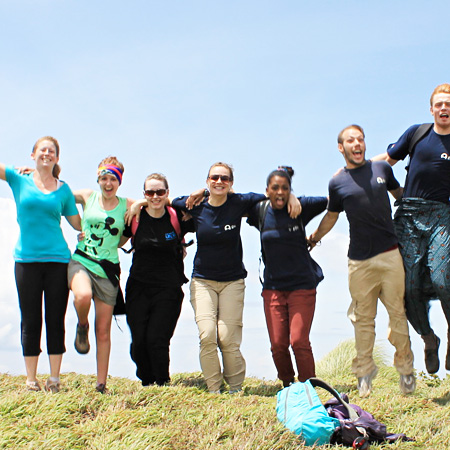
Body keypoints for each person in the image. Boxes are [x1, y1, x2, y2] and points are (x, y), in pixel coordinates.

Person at [171, 162, 300, 394]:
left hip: (232, 281)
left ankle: (235, 389)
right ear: (207, 180)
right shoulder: (197, 205)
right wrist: (200, 193)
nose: (219, 181)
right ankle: (213, 389)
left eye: (224, 178)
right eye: (214, 178)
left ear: (231, 183)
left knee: (228, 338)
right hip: (202, 281)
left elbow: (272, 195)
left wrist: (290, 197)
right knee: (208, 334)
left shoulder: (239, 202)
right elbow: (170, 202)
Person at [308, 125, 415, 397]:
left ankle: (405, 371)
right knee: (363, 320)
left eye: (360, 140)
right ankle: (364, 375)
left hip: (391, 255)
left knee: (398, 315)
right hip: (359, 262)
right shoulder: (337, 182)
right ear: (341, 148)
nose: (357, 144)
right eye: (350, 141)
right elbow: (332, 216)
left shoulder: (382, 170)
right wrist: (315, 237)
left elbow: (401, 195)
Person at [373, 83, 450, 374]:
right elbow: (387, 161)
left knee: (444, 280)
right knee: (409, 288)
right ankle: (429, 339)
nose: (444, 108)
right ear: (432, 109)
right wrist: (355, 167)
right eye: (439, 104)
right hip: (408, 215)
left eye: (449, 104)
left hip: (442, 216)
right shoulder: (417, 133)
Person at [0, 136, 81, 392]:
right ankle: (31, 379)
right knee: (30, 319)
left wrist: (90, 229)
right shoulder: (18, 179)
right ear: (33, 154)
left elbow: (77, 223)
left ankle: (54, 378)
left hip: (58, 261)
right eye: (42, 150)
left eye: (52, 151)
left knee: (55, 319)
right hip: (26, 261)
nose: (47, 153)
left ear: (57, 158)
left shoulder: (64, 190)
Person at [246, 167, 327, 386]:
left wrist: (316, 235)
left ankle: (310, 386)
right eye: (275, 188)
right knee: (278, 344)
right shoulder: (259, 211)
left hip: (302, 286)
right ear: (267, 191)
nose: (280, 192)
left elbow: (332, 201)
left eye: (285, 188)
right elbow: (231, 199)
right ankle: (288, 385)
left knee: (299, 341)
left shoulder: (301, 207)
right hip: (273, 288)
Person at [68, 156, 132, 393]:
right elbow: (59, 193)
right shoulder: (88, 196)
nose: (107, 183)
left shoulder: (126, 203)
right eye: (103, 178)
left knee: (103, 330)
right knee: (82, 296)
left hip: (108, 269)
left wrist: (136, 207)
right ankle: (81, 324)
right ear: (98, 179)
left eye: (112, 179)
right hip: (82, 261)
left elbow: (155, 201)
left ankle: (101, 384)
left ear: (119, 182)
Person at [124, 173, 194, 386]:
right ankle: (147, 380)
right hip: (138, 287)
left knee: (157, 339)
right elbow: (116, 239)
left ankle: (162, 382)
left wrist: (141, 201)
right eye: (149, 192)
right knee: (138, 341)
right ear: (144, 194)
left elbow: (203, 206)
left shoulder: (177, 216)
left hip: (168, 288)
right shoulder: (135, 217)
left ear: (167, 193)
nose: (155, 196)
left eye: (160, 192)